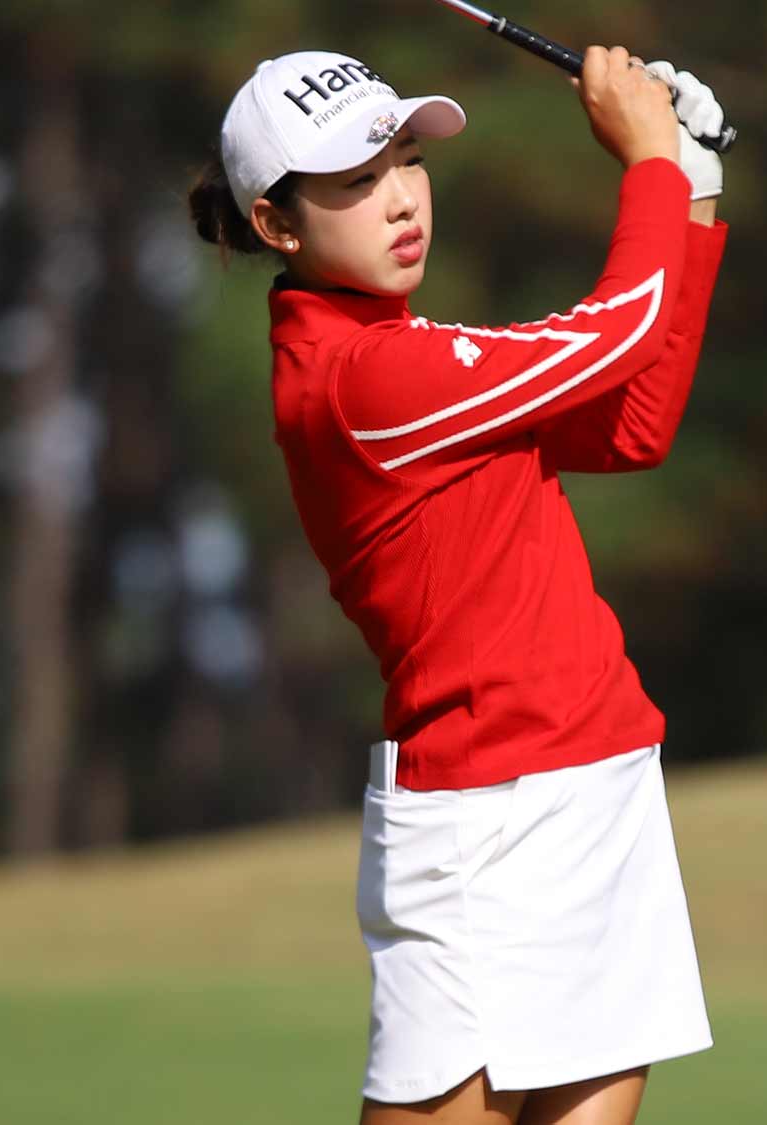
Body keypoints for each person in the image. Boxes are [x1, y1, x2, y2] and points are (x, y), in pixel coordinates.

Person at [189, 44, 730, 1125]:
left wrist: (698, 184)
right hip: (482, 818)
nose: (399, 200)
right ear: (275, 225)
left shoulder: (415, 354)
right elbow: (615, 332)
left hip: (595, 779)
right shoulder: (360, 382)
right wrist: (651, 166)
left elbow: (632, 423)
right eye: (354, 181)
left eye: (404, 162)